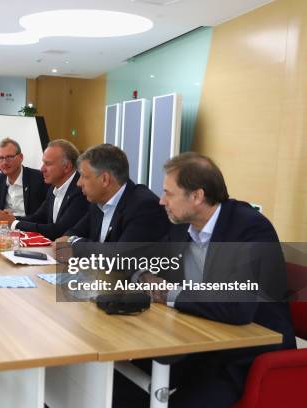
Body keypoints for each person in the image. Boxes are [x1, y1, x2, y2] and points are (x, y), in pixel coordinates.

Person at [115, 152, 295, 408]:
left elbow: (236, 307)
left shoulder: (250, 229)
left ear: (197, 196)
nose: (161, 201)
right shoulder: (181, 224)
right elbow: (150, 260)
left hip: (246, 354)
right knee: (119, 382)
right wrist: (143, 276)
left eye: (169, 193)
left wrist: (167, 293)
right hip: (199, 339)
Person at [58, 143, 170, 243]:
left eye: (84, 176)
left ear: (105, 179)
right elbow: (73, 234)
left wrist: (73, 243)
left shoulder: (144, 206)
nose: (78, 183)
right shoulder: (98, 202)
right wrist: (69, 243)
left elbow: (120, 258)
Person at [0, 139, 88, 241]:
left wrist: (13, 222)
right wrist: (7, 218)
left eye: (48, 164)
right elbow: (38, 218)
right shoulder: (54, 186)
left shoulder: (81, 190)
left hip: (69, 254)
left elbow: (58, 231)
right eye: (43, 163)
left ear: (67, 166)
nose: (42, 169)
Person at [0, 138, 48, 217]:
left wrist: (12, 219)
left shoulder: (39, 178)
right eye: (1, 158)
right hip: (3, 227)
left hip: (28, 226)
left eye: (9, 157)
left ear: (21, 157)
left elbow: (43, 216)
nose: (4, 163)